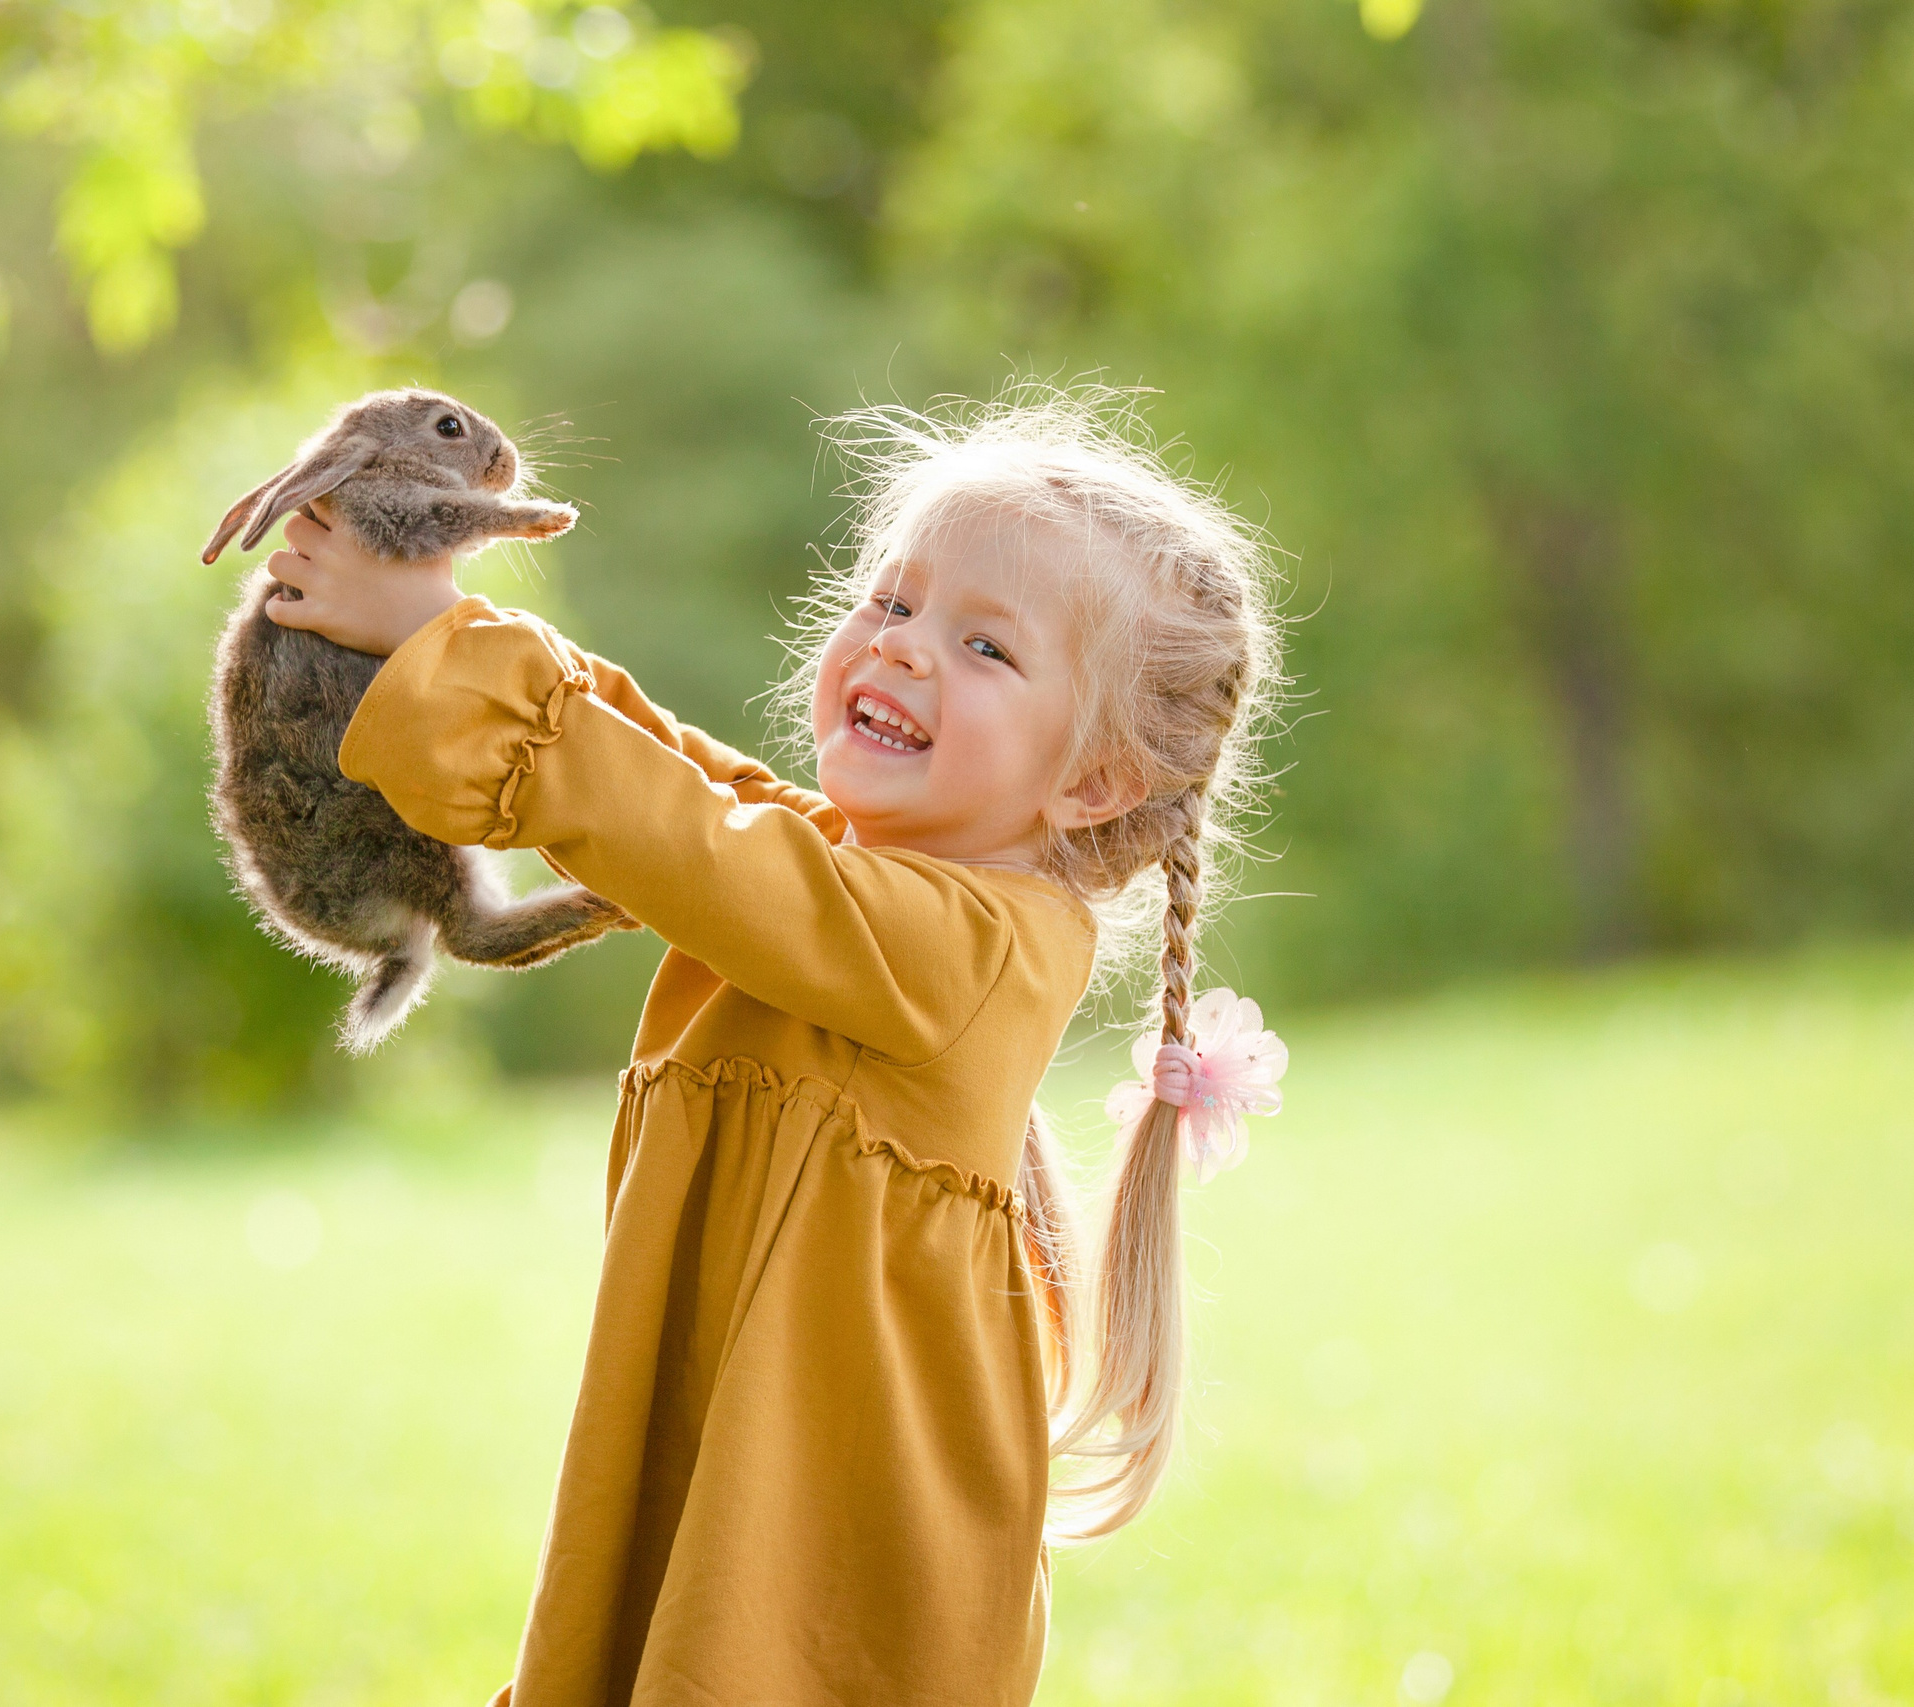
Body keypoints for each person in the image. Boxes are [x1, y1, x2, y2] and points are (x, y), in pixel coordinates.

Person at [258, 387, 1287, 1707]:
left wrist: (445, 649)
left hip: (825, 1548)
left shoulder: (993, 947)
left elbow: (688, 836)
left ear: (1092, 784)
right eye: (893, 601)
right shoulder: (836, 878)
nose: (904, 650)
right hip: (720, 1469)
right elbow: (684, 784)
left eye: (987, 647)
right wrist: (446, 633)